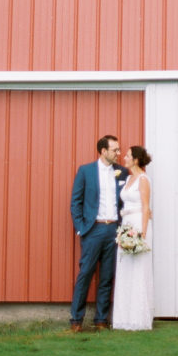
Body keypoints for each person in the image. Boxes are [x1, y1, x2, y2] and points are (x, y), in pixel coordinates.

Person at [68, 135, 125, 331]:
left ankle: (101, 320)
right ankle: (76, 320)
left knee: (107, 276)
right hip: (93, 230)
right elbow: (76, 202)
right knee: (85, 274)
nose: (119, 153)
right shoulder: (86, 171)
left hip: (113, 230)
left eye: (118, 149)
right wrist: (81, 227)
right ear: (102, 151)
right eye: (115, 150)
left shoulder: (122, 172)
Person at [111, 145, 154, 330]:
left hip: (138, 223)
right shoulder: (128, 178)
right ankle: (123, 318)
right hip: (126, 223)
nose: (125, 158)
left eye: (128, 156)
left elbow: (145, 206)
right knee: (125, 269)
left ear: (136, 160)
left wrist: (142, 235)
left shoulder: (143, 180)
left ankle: (139, 319)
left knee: (138, 270)